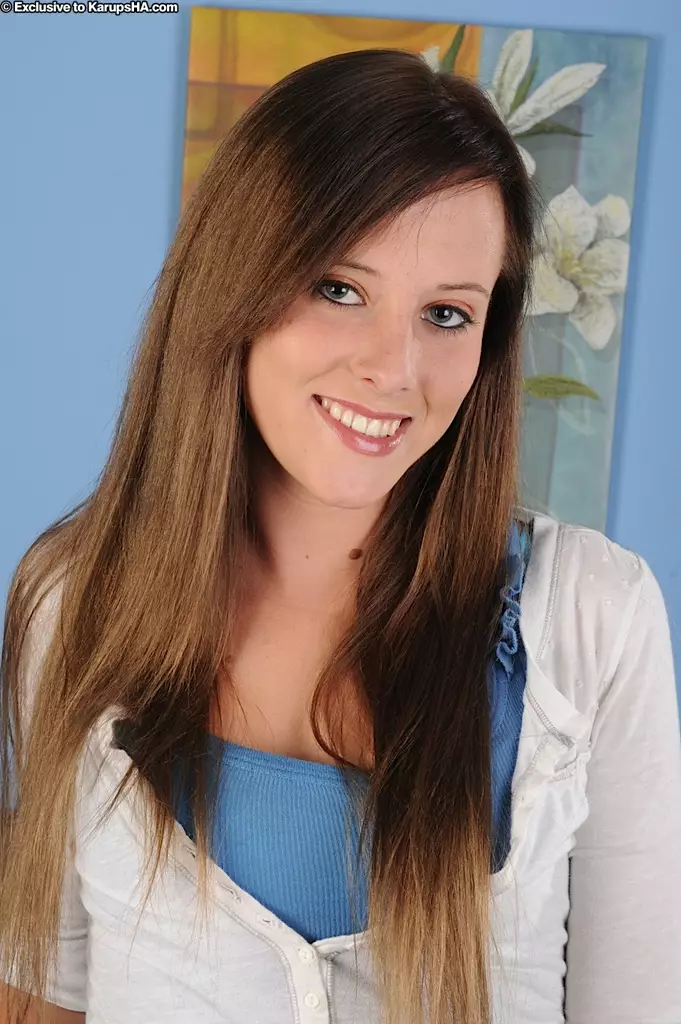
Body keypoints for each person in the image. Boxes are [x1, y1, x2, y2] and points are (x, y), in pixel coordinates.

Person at [1, 46, 680, 1024]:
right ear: (232, 282)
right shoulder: (69, 598)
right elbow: (39, 992)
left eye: (446, 313)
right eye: (338, 288)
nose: (393, 368)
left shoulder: (594, 618)